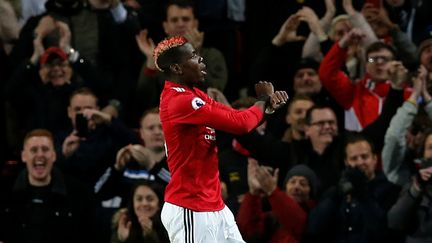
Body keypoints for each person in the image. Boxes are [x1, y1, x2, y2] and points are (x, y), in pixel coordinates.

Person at [153, 35, 288, 242]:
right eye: (193, 56)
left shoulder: (195, 94)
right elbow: (241, 124)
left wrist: (266, 107)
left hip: (215, 206)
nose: (201, 60)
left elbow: (237, 120)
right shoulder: (180, 101)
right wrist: (262, 101)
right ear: (177, 69)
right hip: (190, 209)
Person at [0, 129, 96, 243]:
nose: (40, 155)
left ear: (54, 155)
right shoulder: (6, 195)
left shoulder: (77, 193)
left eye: (45, 150)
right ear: (24, 156)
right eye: (34, 150)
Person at [306, 132, 401, 243]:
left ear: (375, 159)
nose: (360, 162)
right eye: (354, 158)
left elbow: (382, 231)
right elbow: (314, 228)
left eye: (365, 157)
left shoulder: (392, 191)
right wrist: (336, 194)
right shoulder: (335, 192)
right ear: (346, 162)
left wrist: (362, 193)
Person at [237, 162, 317, 243]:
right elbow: (247, 231)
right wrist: (253, 193)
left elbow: (297, 222)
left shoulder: (314, 216)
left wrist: (272, 191)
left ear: (311, 192)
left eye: (303, 184)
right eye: (292, 182)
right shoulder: (272, 216)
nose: (296, 187)